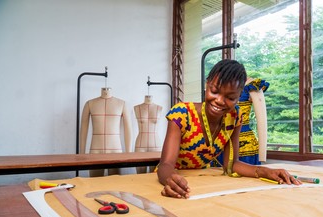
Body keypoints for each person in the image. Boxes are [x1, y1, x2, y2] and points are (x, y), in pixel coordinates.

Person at [157, 59, 300, 199]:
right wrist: (171, 178)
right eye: (214, 91)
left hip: (201, 181)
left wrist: (265, 171)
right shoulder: (181, 114)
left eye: (230, 97)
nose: (219, 100)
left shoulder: (235, 116)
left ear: (238, 97)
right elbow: (165, 164)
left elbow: (231, 164)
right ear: (207, 84)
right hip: (170, 178)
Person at [80, 87, 132, 177]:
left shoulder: (122, 104)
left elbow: (128, 129)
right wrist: (81, 154)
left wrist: (129, 153)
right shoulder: (89, 103)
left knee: (114, 186)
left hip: (115, 151)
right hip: (95, 151)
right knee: (94, 184)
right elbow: (83, 129)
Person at [134, 95, 163, 173]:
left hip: (155, 145)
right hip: (140, 144)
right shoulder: (137, 108)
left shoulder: (159, 108)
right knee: (140, 175)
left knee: (154, 175)